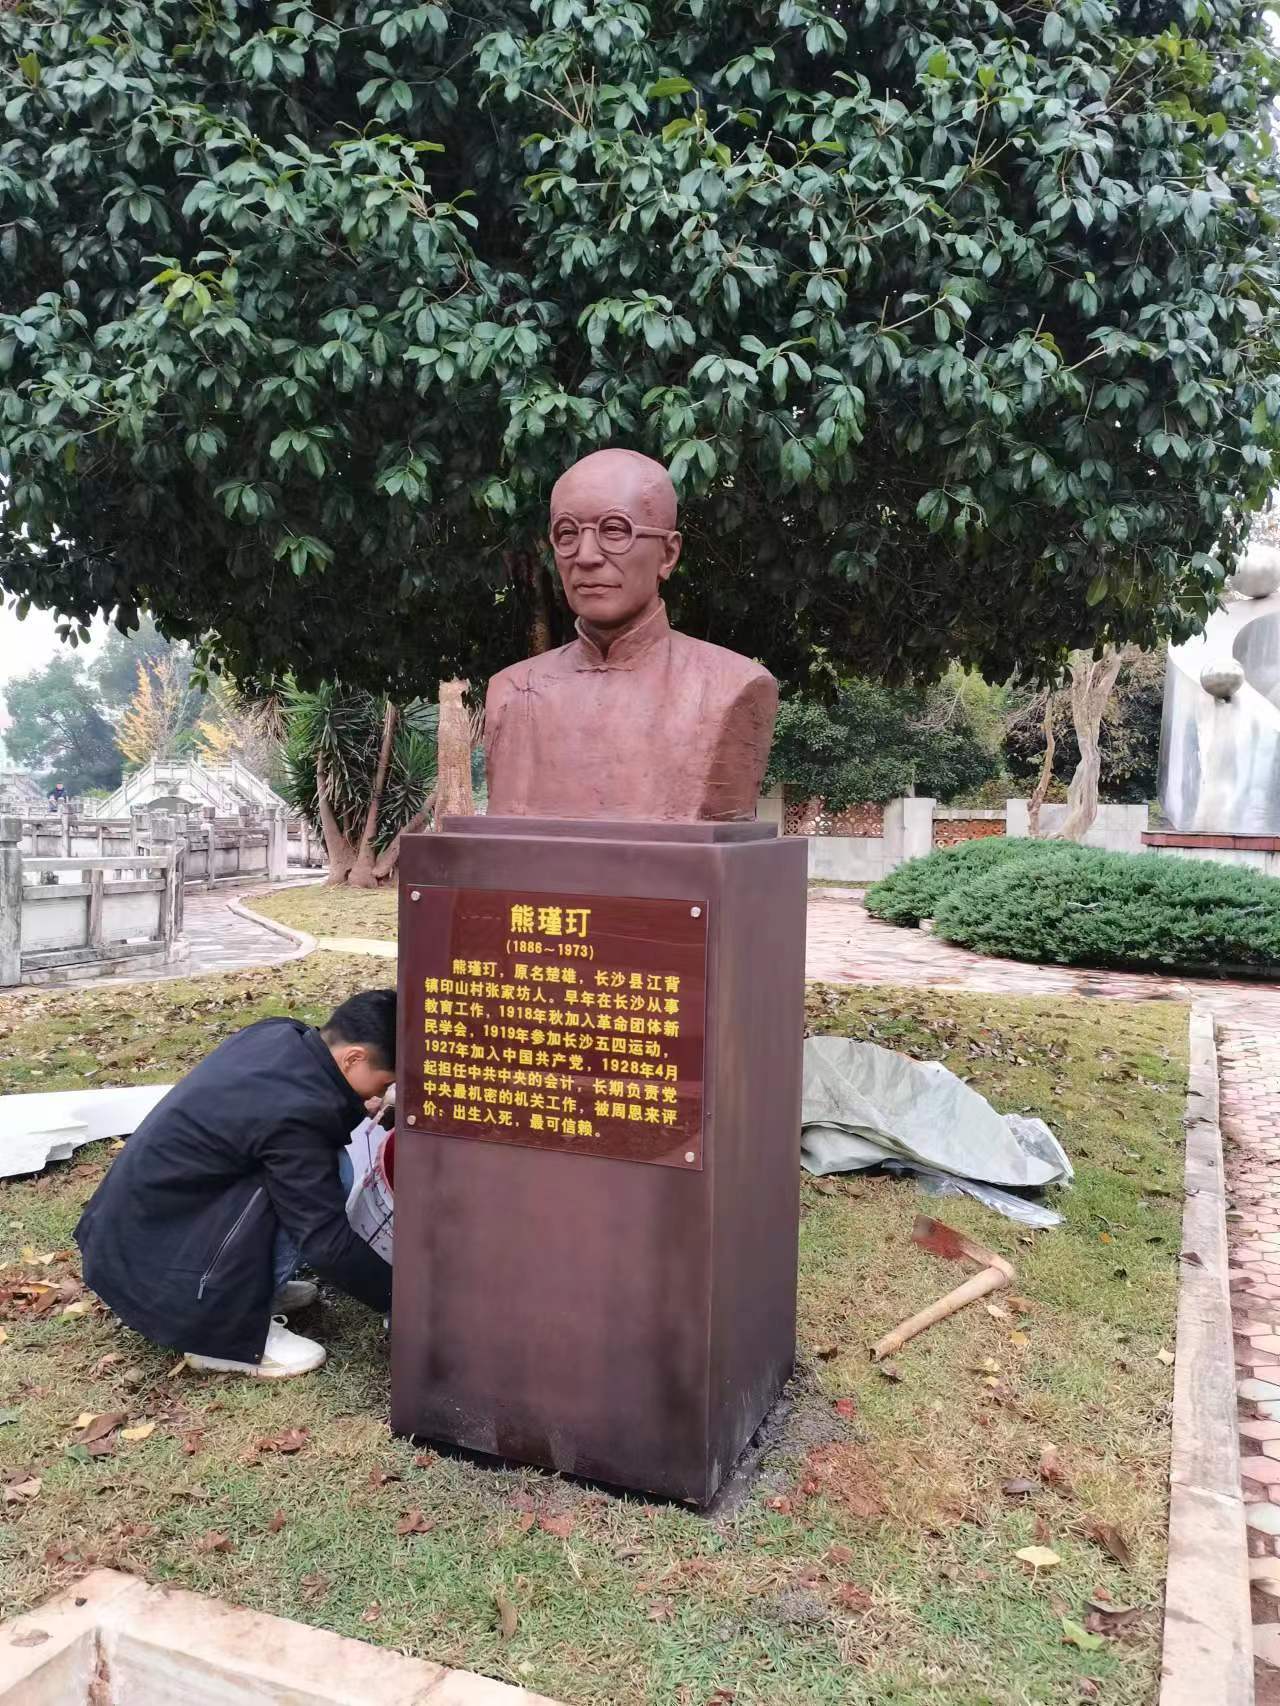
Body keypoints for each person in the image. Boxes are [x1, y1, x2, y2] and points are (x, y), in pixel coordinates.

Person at [75, 991, 397, 1379]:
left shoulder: (280, 1036)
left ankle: (256, 1288)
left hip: (134, 1231)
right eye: (385, 1083)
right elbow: (324, 1239)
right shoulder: (296, 1114)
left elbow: (314, 1115)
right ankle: (222, 1332)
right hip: (154, 1267)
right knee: (315, 1184)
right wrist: (400, 1299)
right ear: (354, 1058)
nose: (381, 1094)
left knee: (328, 1167)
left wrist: (362, 1106)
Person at [484, 447, 778, 821]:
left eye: (614, 530)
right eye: (567, 533)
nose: (586, 556)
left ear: (668, 554)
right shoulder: (511, 692)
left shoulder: (732, 686)